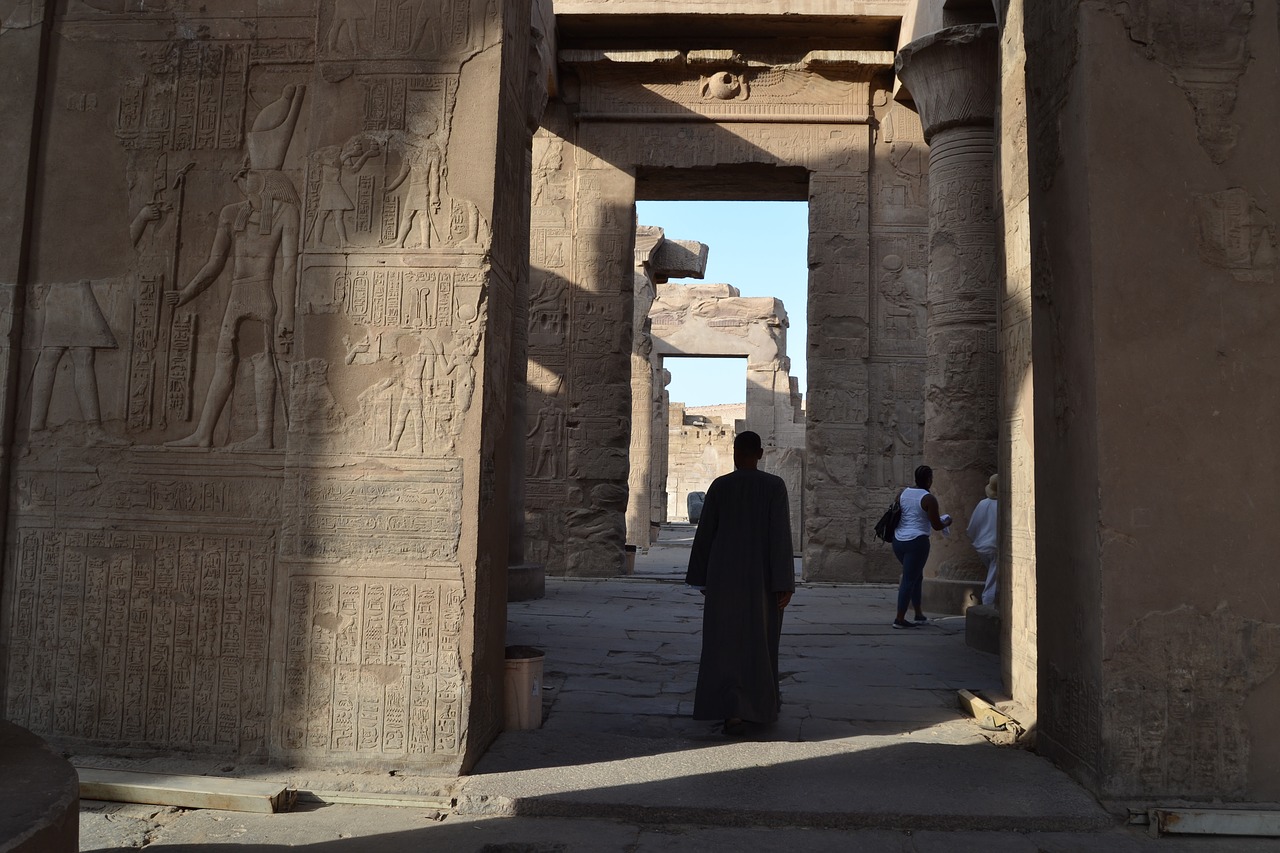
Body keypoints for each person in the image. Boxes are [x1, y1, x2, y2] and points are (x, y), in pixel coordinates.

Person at [686, 430, 795, 737]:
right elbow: (780, 537)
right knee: (761, 641)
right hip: (761, 577)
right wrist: (784, 581)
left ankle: (729, 706)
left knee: (724, 642)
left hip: (724, 576)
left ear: (735, 453)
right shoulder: (774, 486)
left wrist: (702, 577)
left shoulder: (720, 486)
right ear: (760, 454)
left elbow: (705, 534)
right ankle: (759, 705)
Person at [891, 465, 951, 629]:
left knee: (916, 576)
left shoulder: (903, 493)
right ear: (929, 479)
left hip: (898, 541)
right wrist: (947, 521)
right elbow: (937, 525)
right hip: (916, 542)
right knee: (909, 580)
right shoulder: (928, 498)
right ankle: (899, 618)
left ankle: (918, 613)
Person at [969, 474, 999, 606]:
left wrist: (978, 540)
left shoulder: (982, 504)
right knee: (993, 580)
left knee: (993, 575)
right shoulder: (1003, 506)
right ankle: (988, 604)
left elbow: (972, 527)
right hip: (996, 547)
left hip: (982, 546)